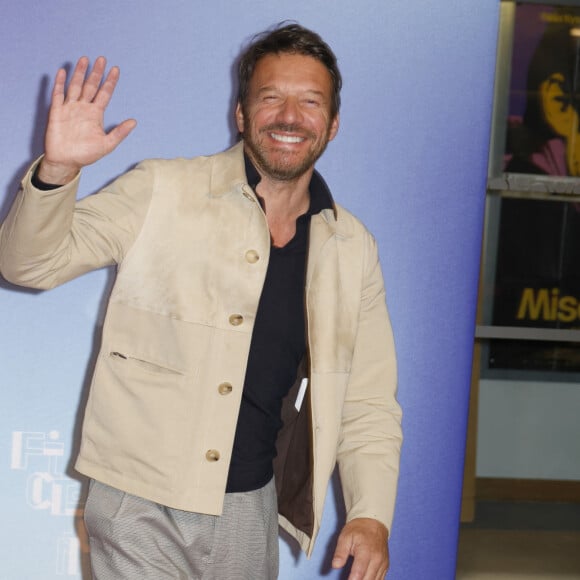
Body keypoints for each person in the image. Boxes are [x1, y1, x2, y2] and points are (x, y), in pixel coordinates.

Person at [0, 23, 402, 580]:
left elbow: (369, 401)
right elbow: (29, 264)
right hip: (138, 501)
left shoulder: (351, 246)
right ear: (241, 114)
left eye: (309, 102)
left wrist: (371, 515)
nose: (289, 116)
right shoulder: (160, 189)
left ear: (332, 122)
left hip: (250, 507)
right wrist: (58, 171)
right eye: (270, 98)